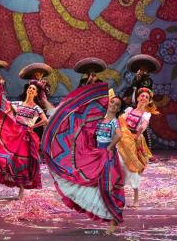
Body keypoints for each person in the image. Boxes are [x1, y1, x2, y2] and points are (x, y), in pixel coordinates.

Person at [42, 82, 125, 234]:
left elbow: (119, 134)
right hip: (96, 155)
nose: (113, 105)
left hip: (108, 157)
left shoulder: (114, 121)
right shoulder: (100, 119)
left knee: (106, 188)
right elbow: (84, 126)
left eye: (116, 104)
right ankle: (110, 216)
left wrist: (110, 146)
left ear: (119, 108)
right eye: (112, 102)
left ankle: (115, 218)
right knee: (93, 186)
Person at [0, 72, 47, 200]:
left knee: (24, 161)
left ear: (36, 93)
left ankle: (22, 190)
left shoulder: (36, 108)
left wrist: (32, 127)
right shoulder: (18, 104)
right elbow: (4, 104)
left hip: (27, 137)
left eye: (33, 89)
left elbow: (45, 120)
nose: (30, 90)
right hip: (15, 133)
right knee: (12, 159)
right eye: (29, 88)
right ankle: (15, 182)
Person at [116, 87, 156, 207]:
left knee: (132, 168)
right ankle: (117, 196)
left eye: (146, 97)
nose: (144, 98)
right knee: (118, 164)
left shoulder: (146, 115)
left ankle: (136, 200)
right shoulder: (129, 110)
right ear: (138, 98)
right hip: (122, 139)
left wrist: (139, 132)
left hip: (134, 140)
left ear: (149, 101)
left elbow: (143, 125)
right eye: (142, 96)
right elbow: (121, 120)